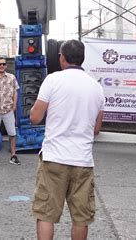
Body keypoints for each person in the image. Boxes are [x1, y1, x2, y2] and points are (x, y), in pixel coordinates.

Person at [30, 39, 104, 240]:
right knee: (81, 217)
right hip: (82, 160)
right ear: (83, 59)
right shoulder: (96, 88)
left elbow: (35, 118)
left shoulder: (53, 80)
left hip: (54, 158)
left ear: (62, 59)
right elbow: (96, 129)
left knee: (46, 213)